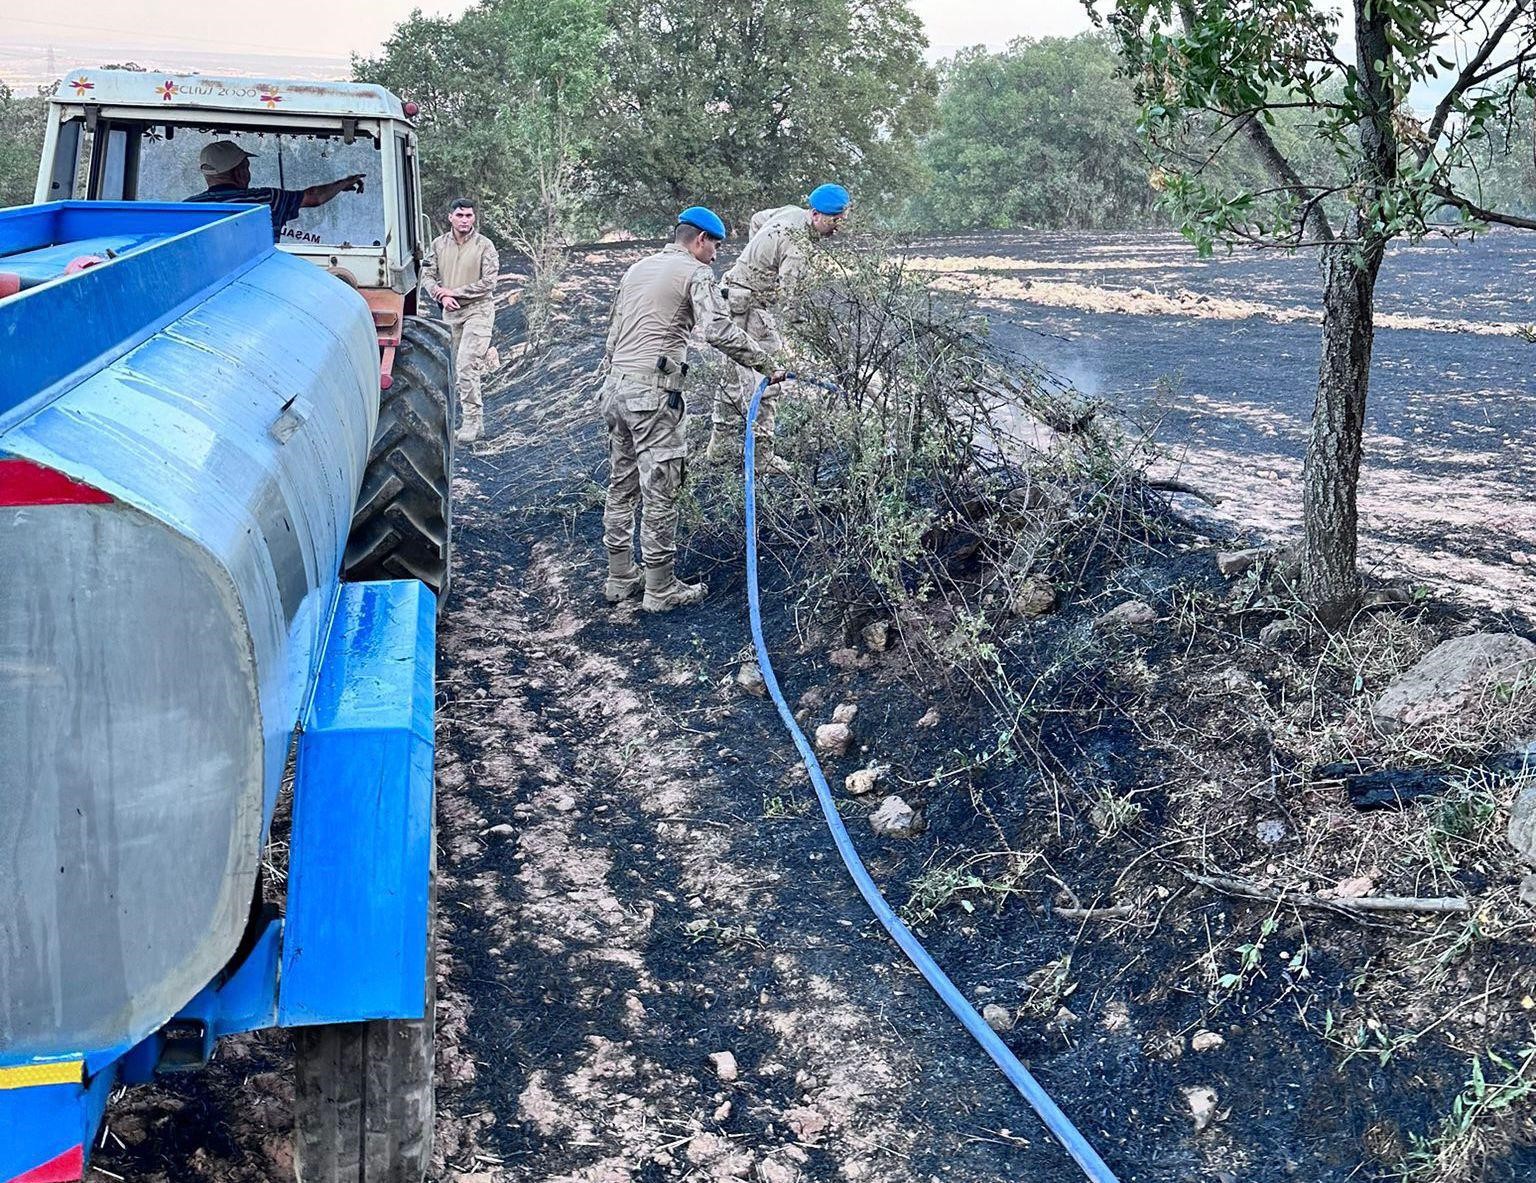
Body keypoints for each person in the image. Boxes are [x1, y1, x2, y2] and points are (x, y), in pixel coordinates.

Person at [599, 206, 782, 613]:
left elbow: (612, 335)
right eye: (716, 244)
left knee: (621, 483)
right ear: (700, 240)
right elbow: (716, 329)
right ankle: (661, 589)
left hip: (615, 389)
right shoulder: (696, 273)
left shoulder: (637, 269)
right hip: (652, 396)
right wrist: (767, 364)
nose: (717, 254)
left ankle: (620, 576)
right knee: (662, 487)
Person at [709, 183, 851, 475]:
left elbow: (758, 219)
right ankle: (762, 459)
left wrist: (761, 260)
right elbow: (792, 304)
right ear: (814, 215)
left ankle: (719, 451)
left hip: (733, 297)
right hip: (749, 307)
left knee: (731, 380)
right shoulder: (799, 247)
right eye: (833, 220)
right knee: (769, 378)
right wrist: (816, 337)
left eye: (842, 218)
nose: (838, 226)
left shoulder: (789, 212)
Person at [420, 198, 500, 443]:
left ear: (474, 218)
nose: (465, 220)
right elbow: (427, 274)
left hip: (479, 310)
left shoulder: (484, 245)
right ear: (450, 217)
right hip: (451, 313)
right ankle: (477, 423)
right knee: (457, 369)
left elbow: (489, 283)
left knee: (467, 364)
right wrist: (440, 295)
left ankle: (471, 423)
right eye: (460, 215)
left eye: (469, 216)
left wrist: (455, 292)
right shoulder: (438, 244)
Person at [184, 140, 364, 242]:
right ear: (239, 173)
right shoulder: (265, 199)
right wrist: (342, 183)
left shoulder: (187, 208)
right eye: (246, 167)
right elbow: (314, 197)